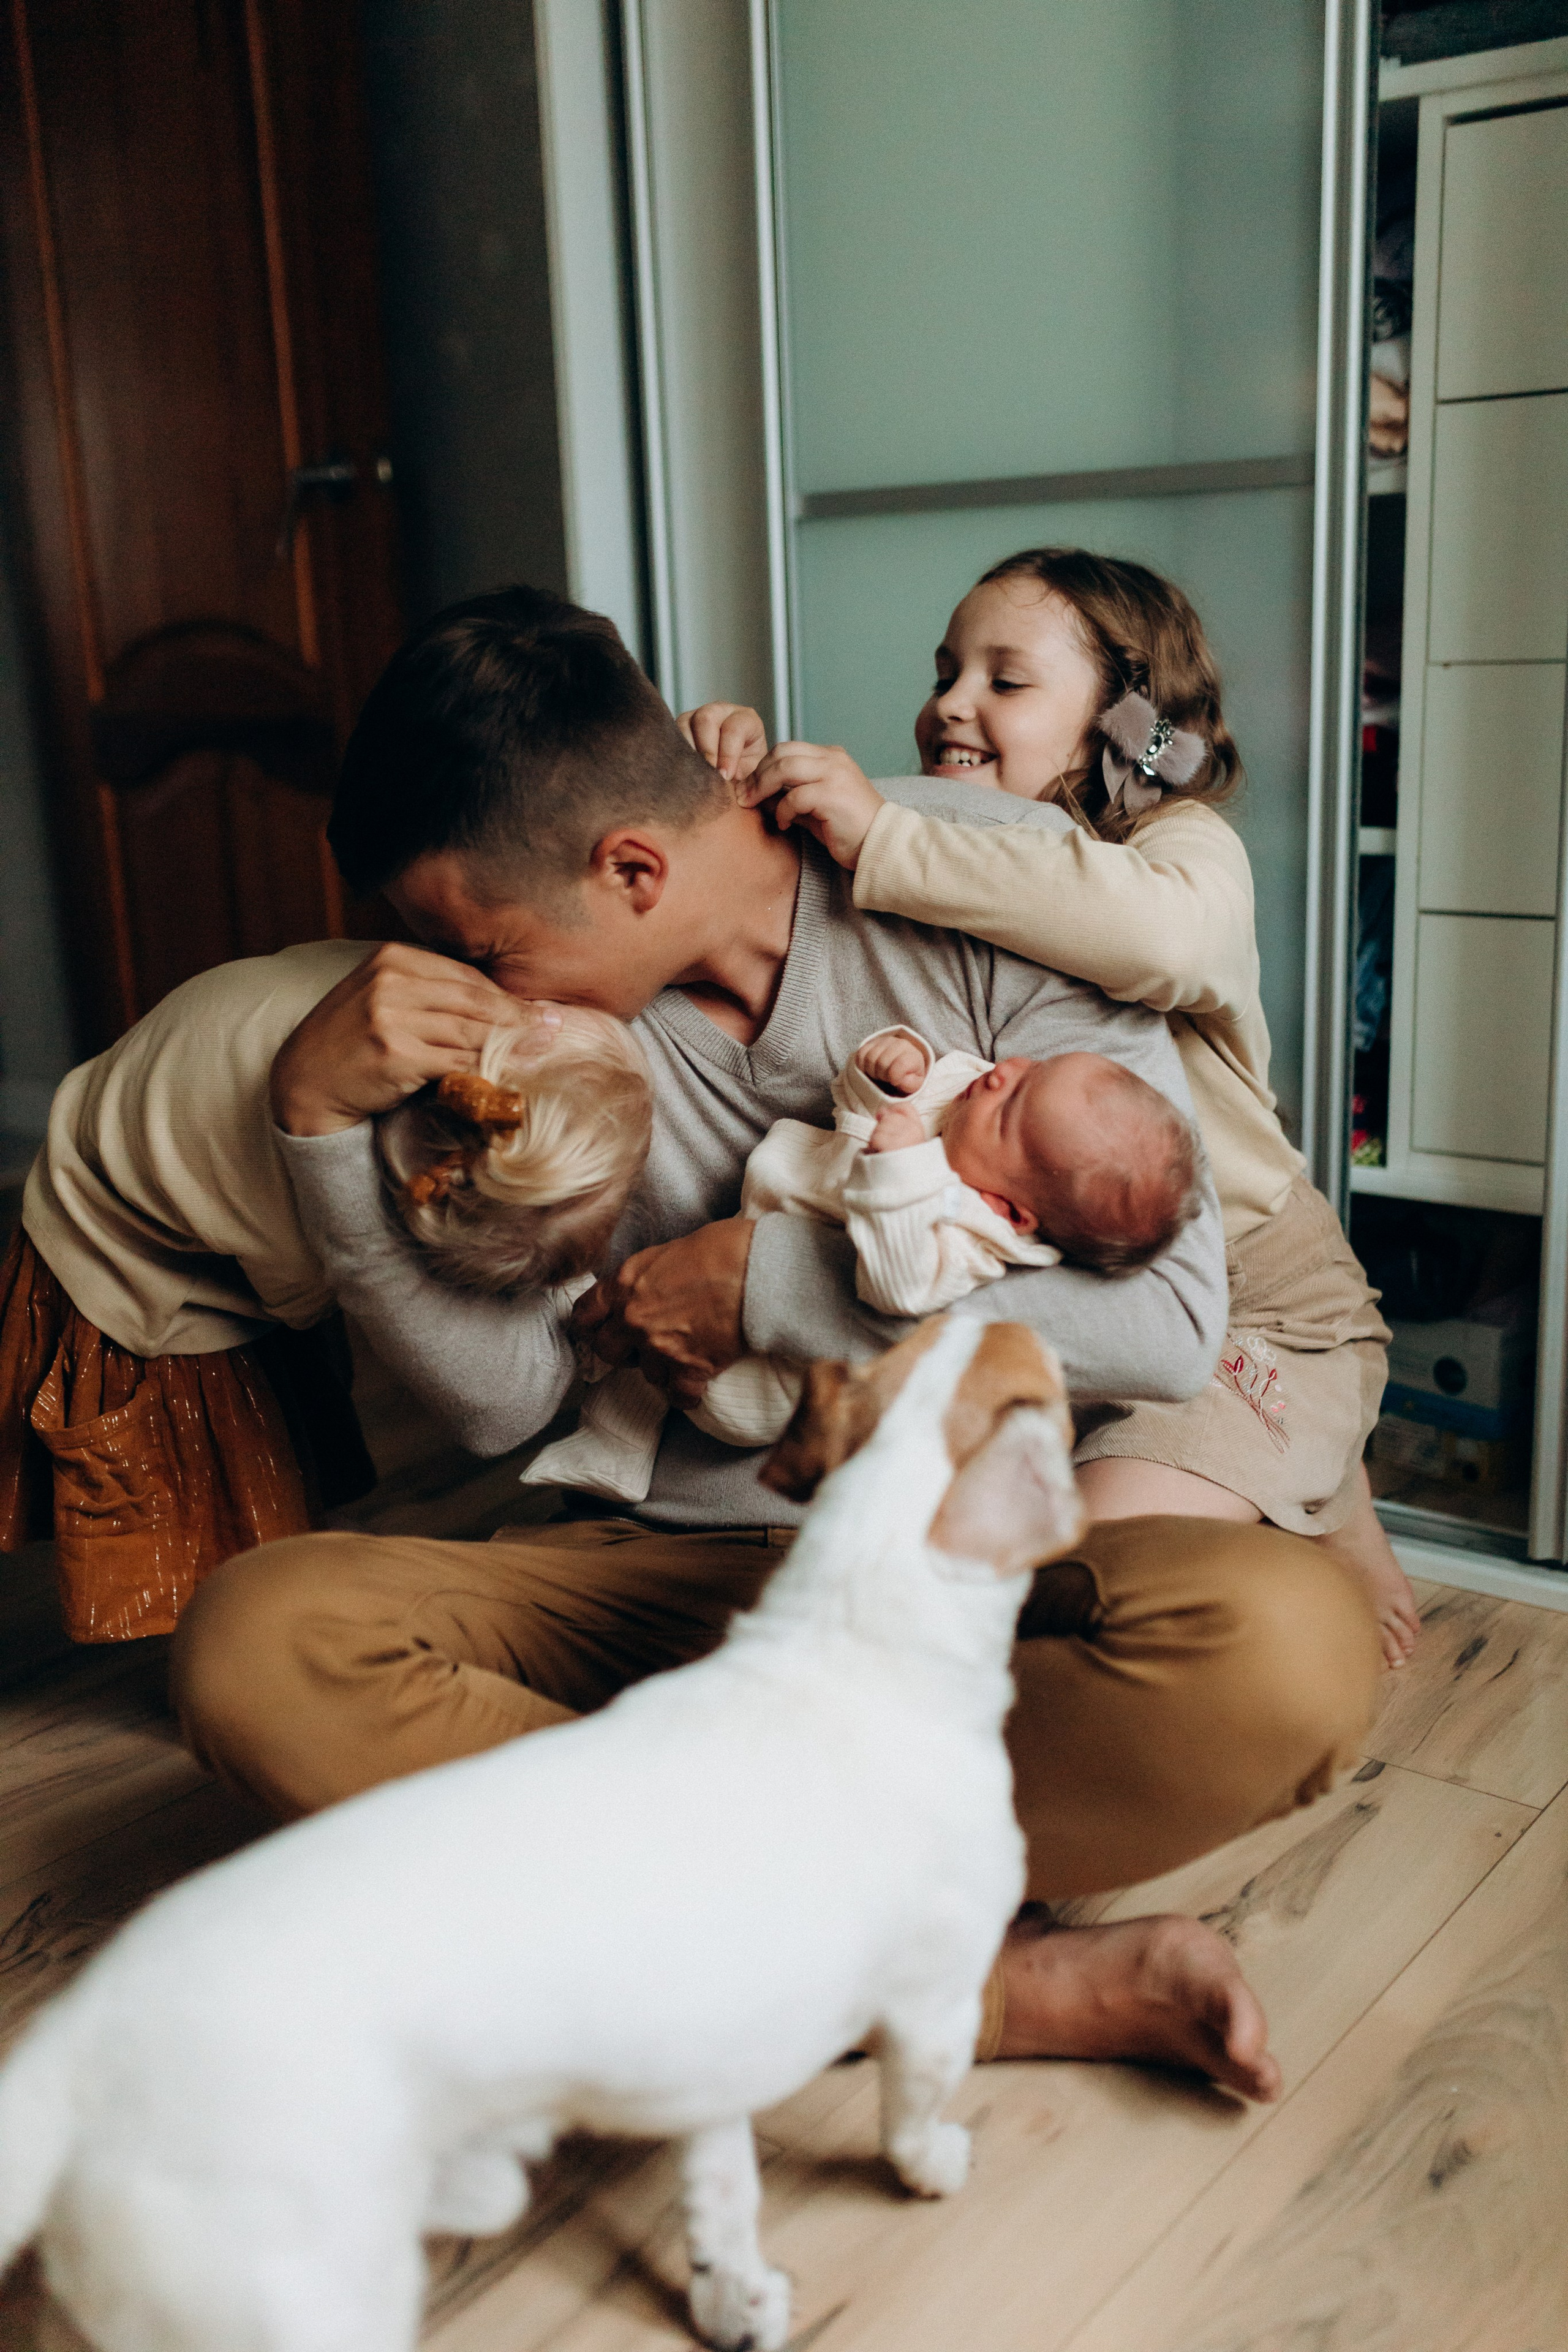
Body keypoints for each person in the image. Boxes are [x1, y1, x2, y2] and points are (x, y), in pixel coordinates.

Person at [169, 584, 1383, 2094]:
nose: (465, 983)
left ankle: (667, 1927)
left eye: (473, 939)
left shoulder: (978, 882)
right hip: (653, 1576)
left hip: (928, 1572)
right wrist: (316, 1124)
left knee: (1287, 1643)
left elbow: (1163, 1316)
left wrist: (766, 1286)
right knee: (256, 1641)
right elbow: (505, 1403)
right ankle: (965, 1983)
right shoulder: (526, 1048)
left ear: (627, 867)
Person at [688, 547, 1417, 1668]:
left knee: (1069, 1581)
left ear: (1122, 724)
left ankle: (1323, 1461)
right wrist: (724, 772)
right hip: (1041, 1270)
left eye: (1004, 682)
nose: (949, 705)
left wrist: (884, 834)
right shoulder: (937, 848)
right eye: (945, 673)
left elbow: (1163, 936)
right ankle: (1299, 1469)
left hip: (1250, 1297)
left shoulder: (1173, 849)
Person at [0, 949, 648, 1641]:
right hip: (120, 1237)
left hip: (163, 1086)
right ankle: (218, 1636)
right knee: (208, 1487)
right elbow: (290, 1301)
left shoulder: (468, 1017)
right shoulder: (285, 1199)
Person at [525, 1023, 1199, 1504]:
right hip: (755, 1224)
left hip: (769, 1382)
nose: (1002, 1072)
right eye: (1032, 1069)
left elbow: (898, 1289)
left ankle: (613, 1435)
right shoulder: (971, 1109)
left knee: (665, 1361)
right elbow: (862, 1114)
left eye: (1011, 1106)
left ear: (1010, 1211)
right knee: (662, 1288)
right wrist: (885, 1070)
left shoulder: (973, 1233)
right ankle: (614, 1442)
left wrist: (902, 1169)